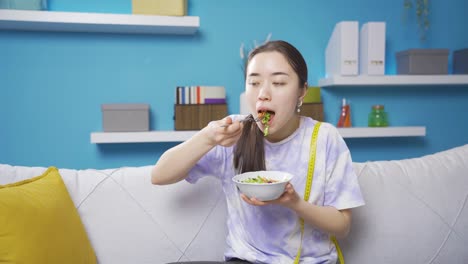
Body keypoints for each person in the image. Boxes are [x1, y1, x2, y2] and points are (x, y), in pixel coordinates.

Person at [151, 40, 365, 264]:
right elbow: (160, 175)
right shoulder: (232, 133)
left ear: (302, 91)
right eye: (254, 82)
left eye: (279, 82)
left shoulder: (325, 138)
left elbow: (342, 226)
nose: (263, 93)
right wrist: (207, 137)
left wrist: (294, 203)